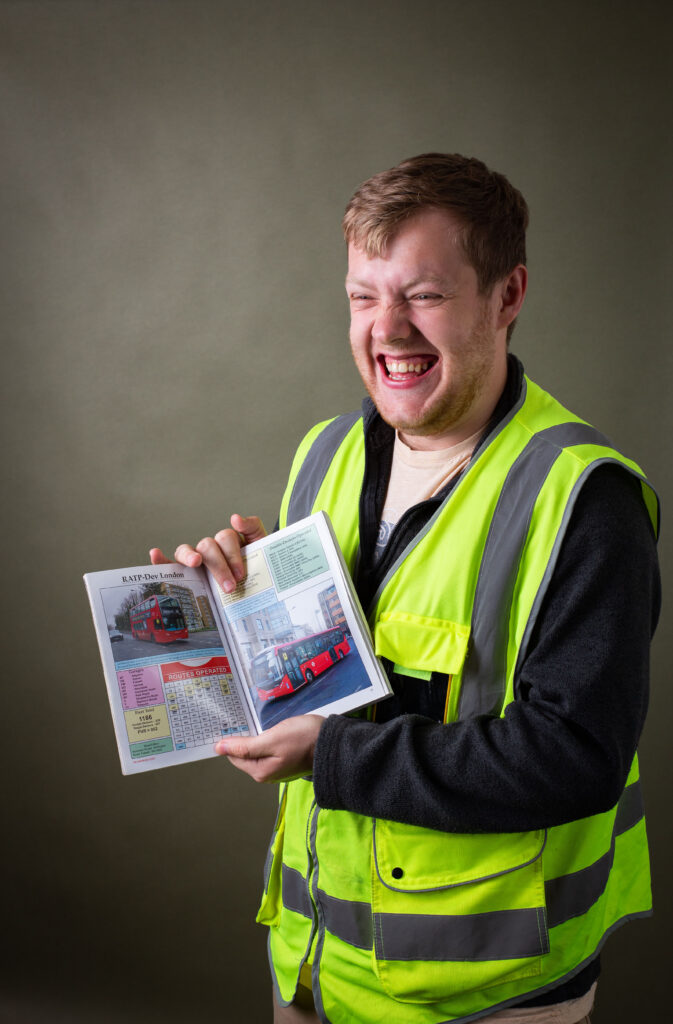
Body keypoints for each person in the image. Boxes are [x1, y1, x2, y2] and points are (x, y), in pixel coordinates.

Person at [150, 154, 660, 1024]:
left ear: (506, 296)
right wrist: (243, 595)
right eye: (362, 296)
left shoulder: (584, 498)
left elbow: (576, 756)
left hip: (486, 990)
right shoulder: (325, 452)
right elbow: (337, 674)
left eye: (423, 295)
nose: (386, 329)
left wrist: (330, 757)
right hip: (312, 962)